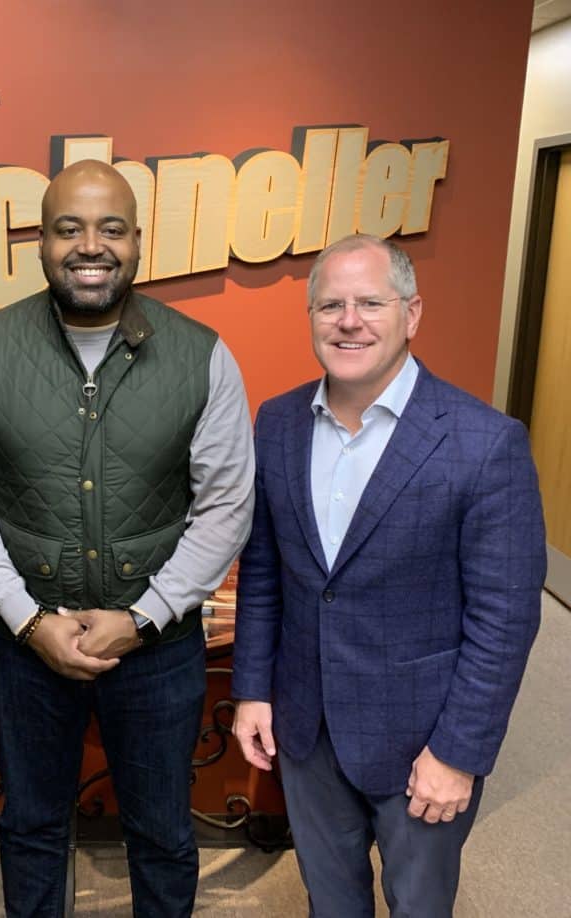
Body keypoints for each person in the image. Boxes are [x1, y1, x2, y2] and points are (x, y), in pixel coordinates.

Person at [0, 160, 255, 917]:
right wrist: (27, 619)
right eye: (68, 227)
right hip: (26, 642)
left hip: (159, 645)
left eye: (111, 227)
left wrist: (144, 618)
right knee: (34, 826)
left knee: (162, 830)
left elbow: (226, 504)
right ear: (40, 242)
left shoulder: (201, 354)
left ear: (138, 240)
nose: (90, 244)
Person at [231, 234, 546, 917]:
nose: (350, 320)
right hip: (306, 727)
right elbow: (263, 570)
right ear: (311, 317)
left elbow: (507, 618)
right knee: (331, 900)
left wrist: (458, 754)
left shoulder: (485, 442)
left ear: (413, 314)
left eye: (371, 302)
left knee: (418, 905)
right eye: (331, 305)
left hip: (422, 740)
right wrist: (254, 689)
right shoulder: (277, 422)